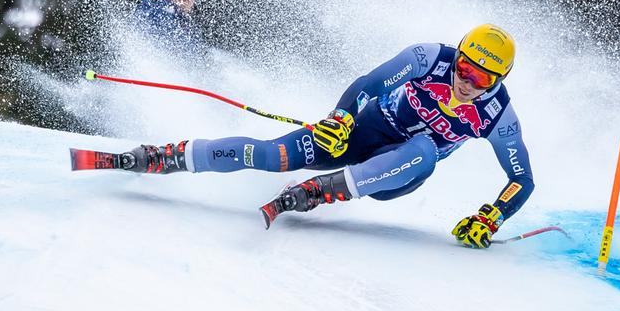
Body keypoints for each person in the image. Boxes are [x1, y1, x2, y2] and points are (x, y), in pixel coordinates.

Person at [115, 24, 534, 248]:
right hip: (362, 133)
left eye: (481, 77)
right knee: (271, 155)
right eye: (464, 66)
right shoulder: (428, 58)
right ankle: (169, 156)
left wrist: (491, 216)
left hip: (397, 173)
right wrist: (341, 118)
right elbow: (371, 83)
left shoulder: (497, 115)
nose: (466, 80)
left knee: (425, 148)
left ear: (498, 79)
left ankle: (321, 191)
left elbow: (522, 179)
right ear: (457, 54)